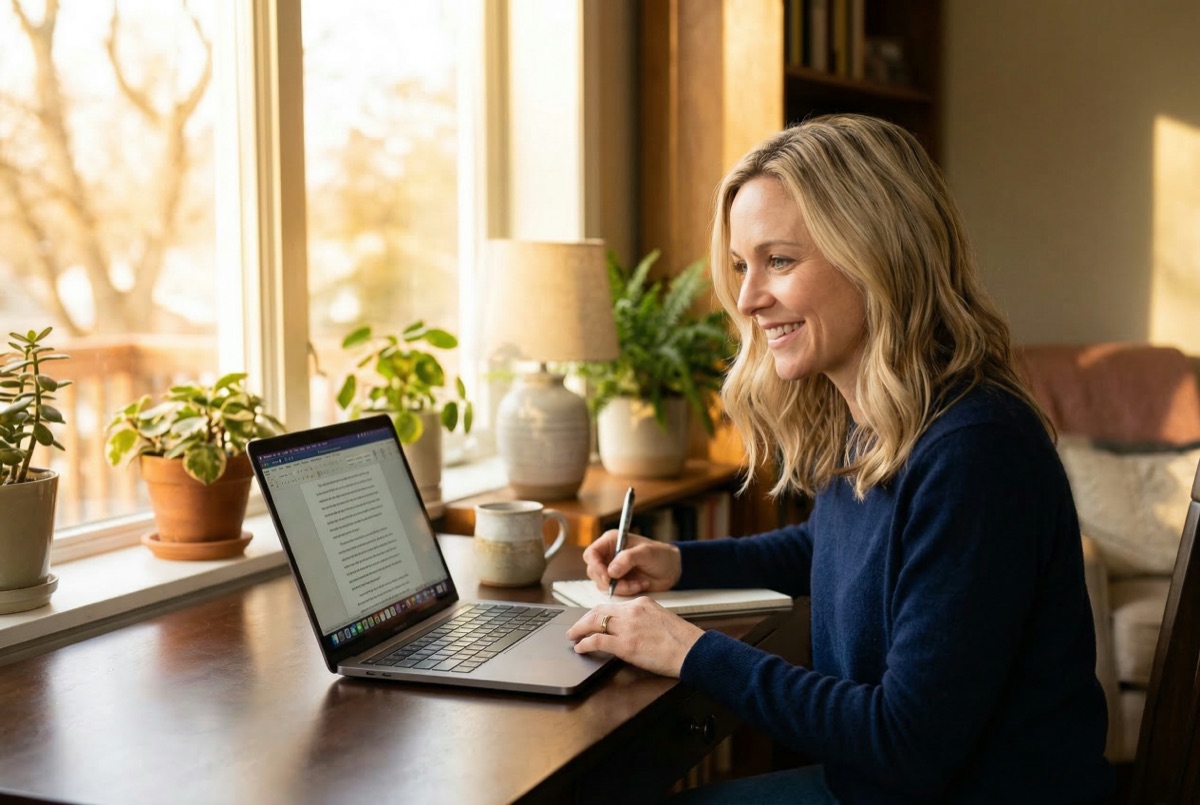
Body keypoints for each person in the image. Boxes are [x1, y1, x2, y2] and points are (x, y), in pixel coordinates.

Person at [566, 114, 1113, 803]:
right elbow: (836, 543)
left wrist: (688, 650)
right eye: (741, 264)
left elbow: (905, 740)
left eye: (781, 260)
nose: (746, 297)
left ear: (876, 254)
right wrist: (681, 563)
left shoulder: (974, 449)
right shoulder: (886, 415)